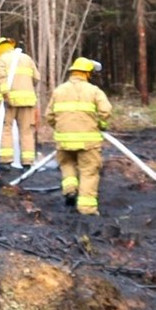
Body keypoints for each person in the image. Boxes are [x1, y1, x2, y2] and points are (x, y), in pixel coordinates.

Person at [47, 57, 113, 215]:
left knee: (67, 164)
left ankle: (70, 190)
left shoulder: (59, 91)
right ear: (87, 73)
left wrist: (61, 128)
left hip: (64, 141)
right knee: (88, 171)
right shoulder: (94, 91)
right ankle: (86, 209)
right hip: (88, 142)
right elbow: (105, 111)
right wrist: (101, 125)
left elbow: (49, 115)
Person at [0, 37, 39, 168]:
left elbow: (1, 80)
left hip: (9, 101)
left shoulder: (1, 60)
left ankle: (6, 160)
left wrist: (6, 97)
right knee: (26, 131)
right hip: (27, 101)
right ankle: (28, 161)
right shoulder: (27, 58)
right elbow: (36, 78)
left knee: (6, 129)